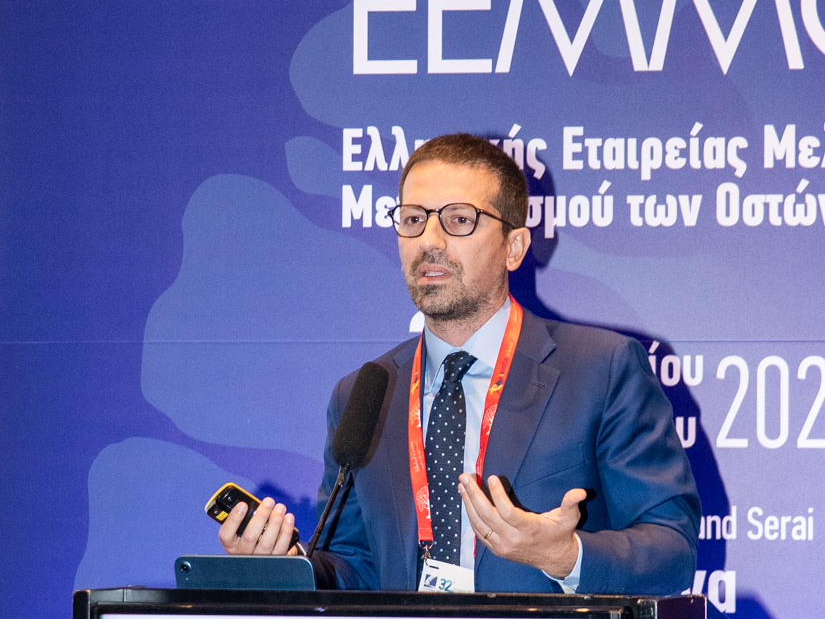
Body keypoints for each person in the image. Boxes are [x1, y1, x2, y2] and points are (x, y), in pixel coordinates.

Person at [221, 133, 699, 595]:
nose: (429, 240)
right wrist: (286, 566)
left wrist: (565, 556)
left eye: (459, 219)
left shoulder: (601, 370)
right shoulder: (365, 393)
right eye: (413, 219)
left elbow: (672, 548)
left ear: (514, 247)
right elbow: (354, 564)